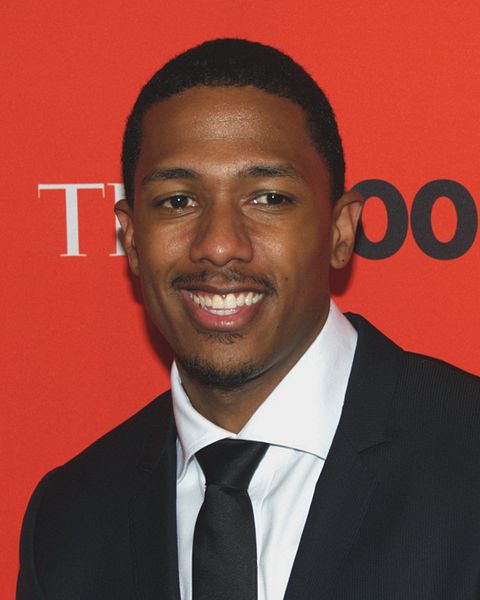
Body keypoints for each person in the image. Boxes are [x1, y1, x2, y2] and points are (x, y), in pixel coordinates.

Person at [17, 39, 480, 600]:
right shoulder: (68, 520)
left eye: (267, 198)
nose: (217, 245)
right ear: (131, 237)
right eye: (177, 202)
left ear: (339, 231)